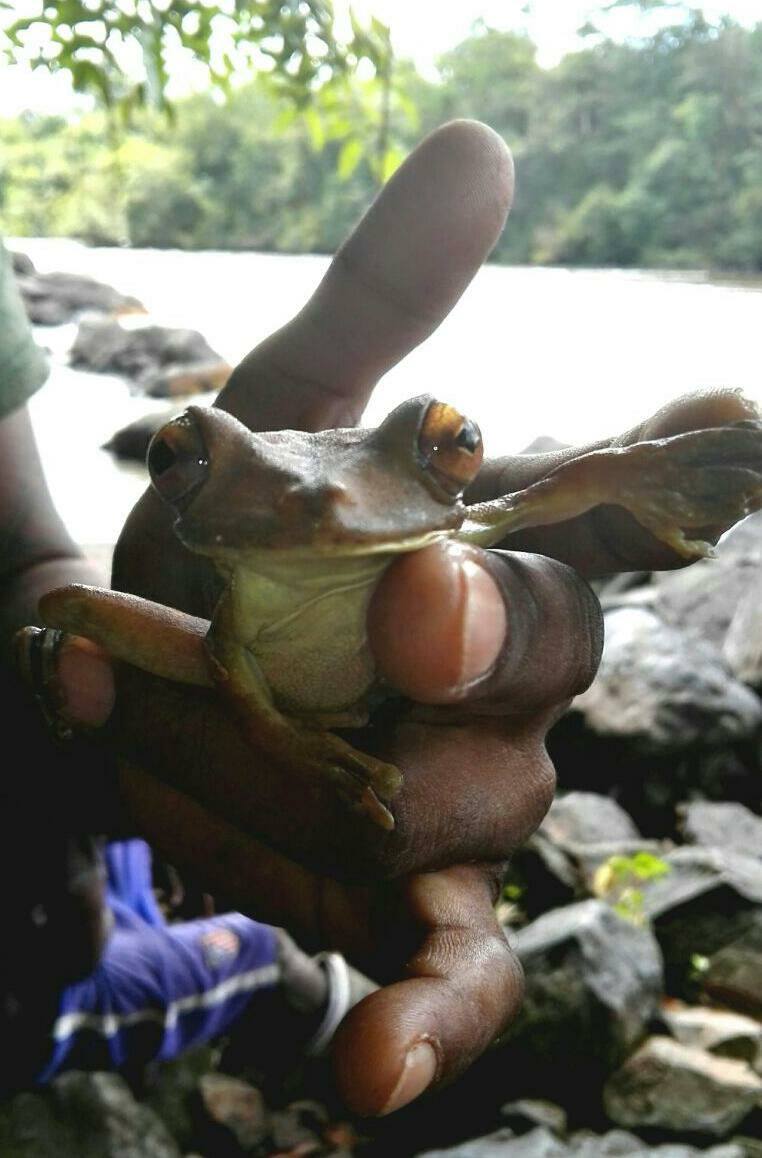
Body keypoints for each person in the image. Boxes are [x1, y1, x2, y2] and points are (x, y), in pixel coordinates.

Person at [2, 119, 731, 1116]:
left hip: (123, 789)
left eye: (450, 442)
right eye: (182, 460)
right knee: (93, 911)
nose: (322, 504)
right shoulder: (242, 596)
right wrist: (305, 755)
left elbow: (549, 496)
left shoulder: (454, 517)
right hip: (91, 844)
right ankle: (282, 985)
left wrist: (636, 473)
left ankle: (178, 901)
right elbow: (218, 669)